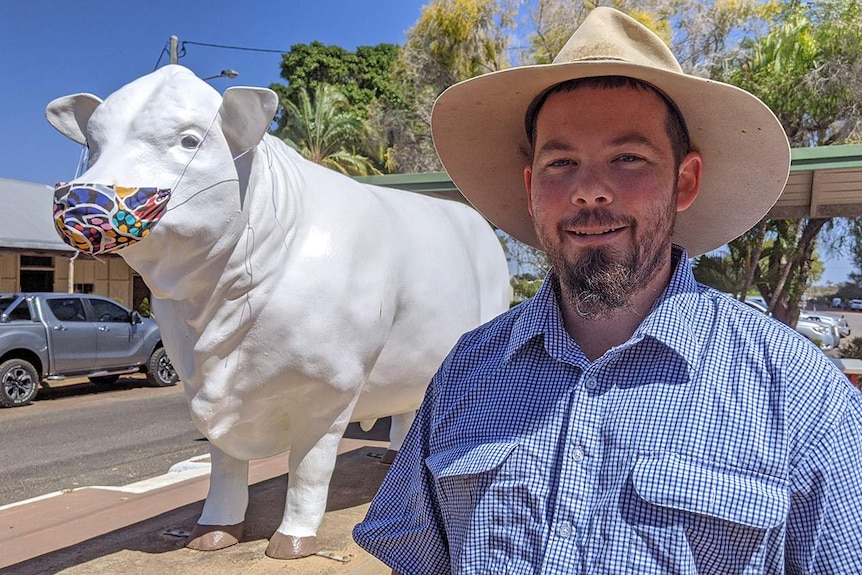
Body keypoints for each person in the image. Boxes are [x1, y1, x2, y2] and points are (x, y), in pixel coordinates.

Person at [354, 7, 862, 574]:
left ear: (685, 180)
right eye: (560, 162)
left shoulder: (798, 394)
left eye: (628, 159)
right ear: (531, 188)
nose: (588, 191)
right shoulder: (467, 372)